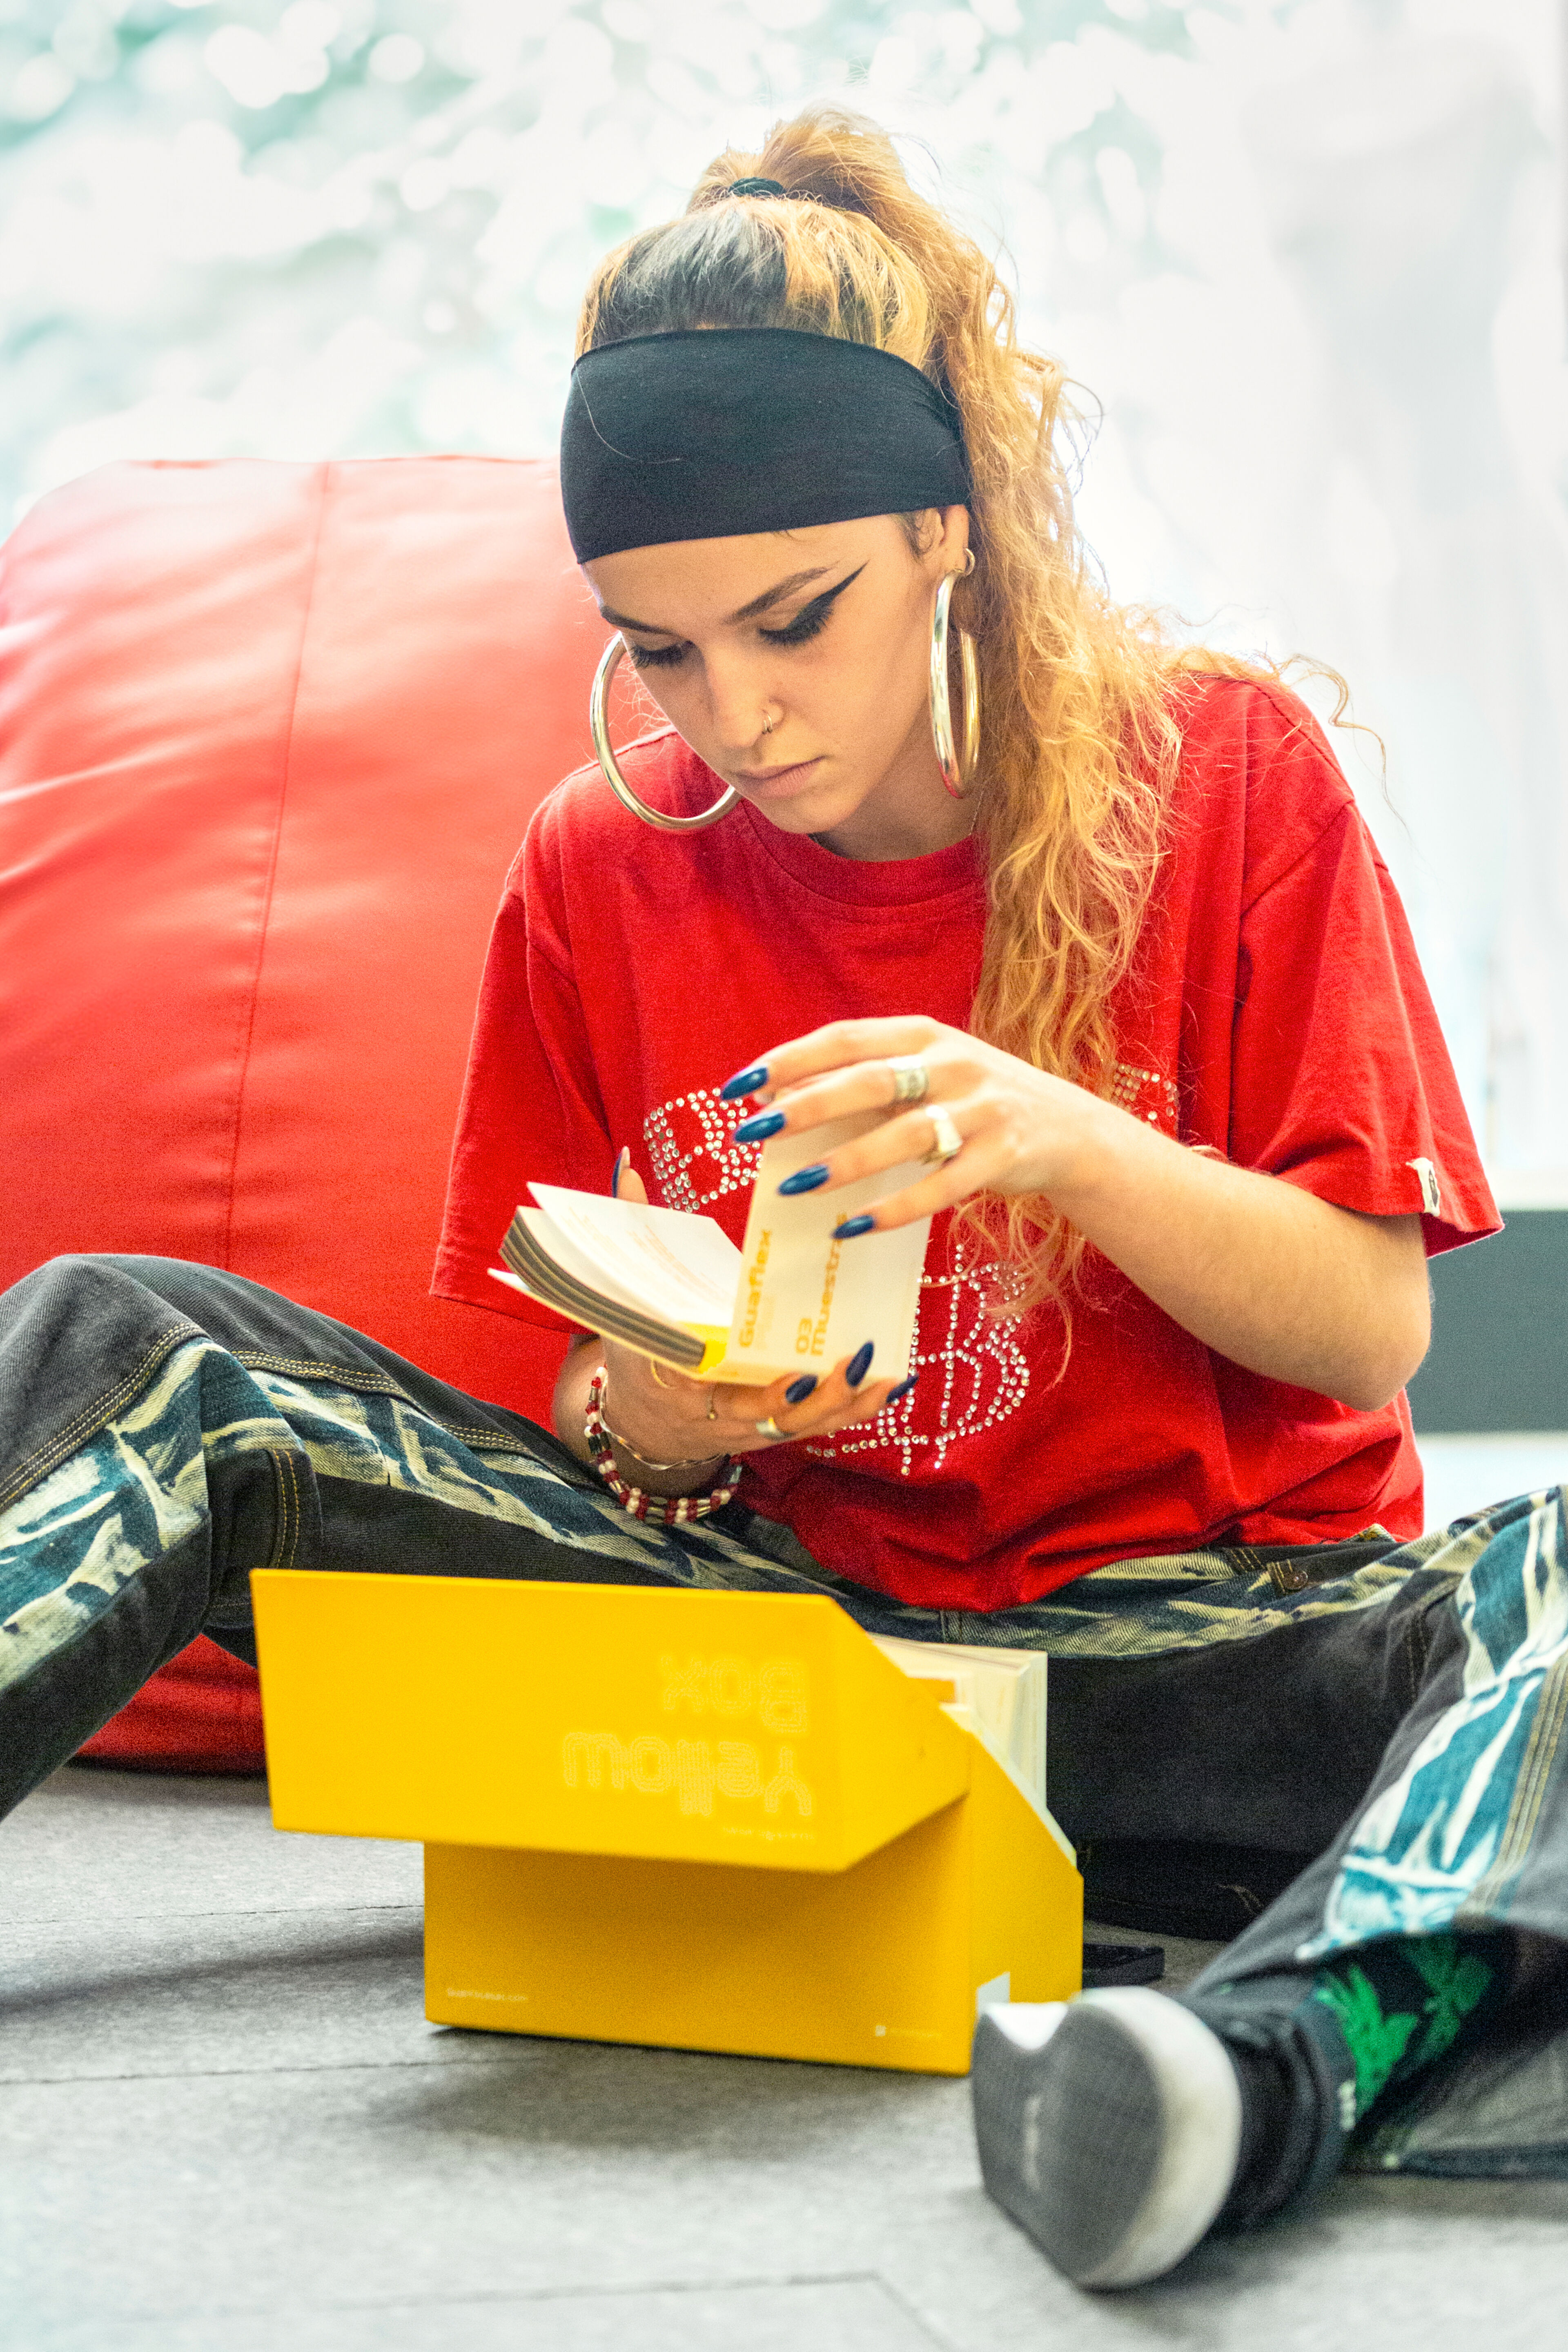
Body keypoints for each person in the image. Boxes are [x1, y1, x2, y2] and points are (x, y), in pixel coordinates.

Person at [1, 108, 1563, 2289]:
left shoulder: (1224, 780)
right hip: (792, 1665)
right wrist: (676, 1419)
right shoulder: (599, 864)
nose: (733, 714)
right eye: (657, 650)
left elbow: (1369, 1332)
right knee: (123, 1339)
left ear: (948, 525)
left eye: (789, 622)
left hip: (1183, 1666)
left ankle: (1260, 2075)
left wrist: (1055, 1134)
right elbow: (574, 1412)